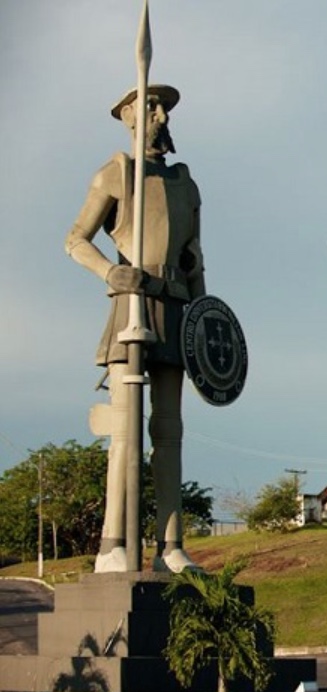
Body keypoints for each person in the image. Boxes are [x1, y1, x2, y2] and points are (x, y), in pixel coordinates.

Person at [65, 84, 205, 573]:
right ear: (128, 115)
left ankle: (170, 547)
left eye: (163, 107)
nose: (160, 114)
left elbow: (195, 264)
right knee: (125, 430)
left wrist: (206, 324)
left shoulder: (186, 185)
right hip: (131, 306)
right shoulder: (115, 174)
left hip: (176, 309)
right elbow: (76, 240)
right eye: (149, 105)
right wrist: (110, 272)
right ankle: (113, 544)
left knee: (169, 431)